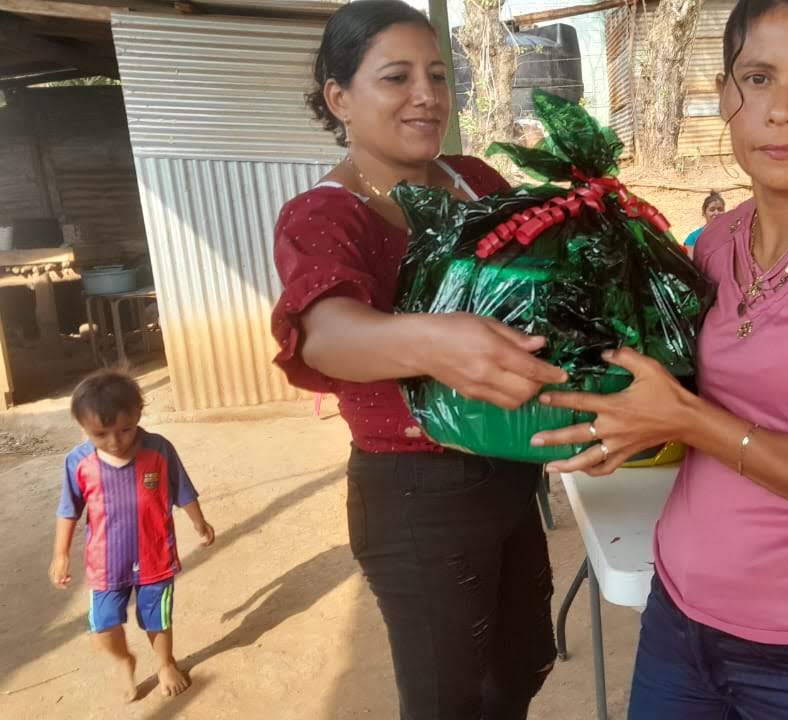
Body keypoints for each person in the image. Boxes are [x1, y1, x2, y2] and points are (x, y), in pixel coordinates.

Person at [532, 0, 788, 716]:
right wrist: (628, 419)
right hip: (678, 618)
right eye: (758, 78)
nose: (781, 110)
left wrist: (692, 422)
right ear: (727, 95)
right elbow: (687, 398)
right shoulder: (718, 239)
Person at [269, 2, 567, 717]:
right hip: (414, 493)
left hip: (509, 465)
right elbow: (327, 332)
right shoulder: (326, 215)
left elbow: (538, 283)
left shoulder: (474, 181)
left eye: (437, 74)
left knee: (522, 660)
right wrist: (433, 338)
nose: (427, 95)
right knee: (446, 701)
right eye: (396, 77)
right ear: (339, 98)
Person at [48, 370, 215, 703]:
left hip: (156, 556)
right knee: (104, 626)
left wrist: (199, 522)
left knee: (158, 617)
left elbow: (182, 490)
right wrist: (61, 553)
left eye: (124, 429)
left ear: (139, 413)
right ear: (83, 428)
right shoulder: (78, 462)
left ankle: (166, 663)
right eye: (101, 434)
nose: (115, 441)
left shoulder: (158, 450)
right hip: (106, 564)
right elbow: (69, 509)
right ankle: (124, 659)